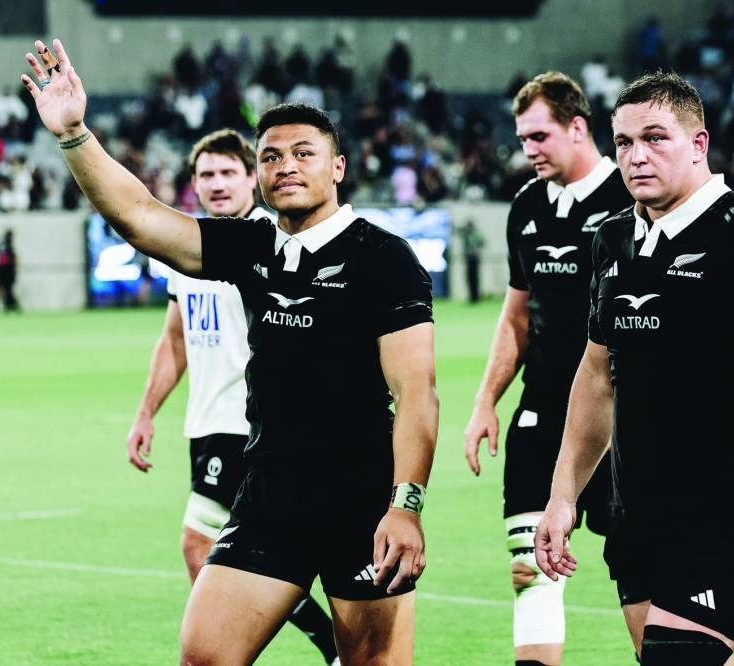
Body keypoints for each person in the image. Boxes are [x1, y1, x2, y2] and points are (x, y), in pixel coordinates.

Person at [22, 39, 438, 666]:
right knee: (205, 655)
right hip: (270, 493)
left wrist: (406, 505)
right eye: (271, 156)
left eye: (304, 153)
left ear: (338, 168)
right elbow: (139, 217)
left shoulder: (385, 259)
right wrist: (75, 133)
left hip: (361, 498)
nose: (286, 166)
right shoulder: (253, 246)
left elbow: (417, 393)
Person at [535, 71, 734, 666]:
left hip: (726, 513)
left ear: (699, 144)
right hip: (634, 512)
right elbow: (596, 377)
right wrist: (563, 495)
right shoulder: (612, 239)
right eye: (622, 142)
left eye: (655, 138)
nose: (636, 156)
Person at [125, 128, 339, 664]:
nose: (217, 185)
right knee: (250, 551)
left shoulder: (273, 245)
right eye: (206, 175)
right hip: (205, 423)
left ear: (252, 179)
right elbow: (175, 339)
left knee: (201, 545)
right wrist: (146, 412)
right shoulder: (186, 249)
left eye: (228, 173)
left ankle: (300, 643)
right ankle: (324, 641)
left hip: (250, 425)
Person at [463, 70, 632, 666]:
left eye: (539, 136)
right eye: (522, 139)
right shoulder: (527, 207)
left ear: (578, 127)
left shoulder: (632, 200)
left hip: (623, 417)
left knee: (641, 567)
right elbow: (515, 318)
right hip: (541, 413)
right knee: (530, 568)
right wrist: (486, 400)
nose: (527, 150)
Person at [0, 229, 19, 312]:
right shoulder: (8, 245)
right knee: (8, 289)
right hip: (7, 270)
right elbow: (13, 259)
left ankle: (7, 306)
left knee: (3, 289)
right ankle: (11, 306)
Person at [459, 219, 486, 304]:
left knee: (474, 278)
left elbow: (482, 242)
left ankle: (476, 297)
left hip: (474, 258)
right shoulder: (466, 234)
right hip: (468, 259)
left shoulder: (475, 234)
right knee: (469, 278)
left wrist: (475, 248)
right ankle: (472, 297)